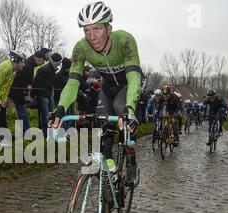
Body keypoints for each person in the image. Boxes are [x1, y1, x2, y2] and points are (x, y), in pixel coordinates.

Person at [52, 1, 144, 186]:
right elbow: (72, 82)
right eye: (86, 30)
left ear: (109, 28)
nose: (92, 36)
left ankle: (132, 164)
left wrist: (130, 110)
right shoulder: (81, 48)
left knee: (123, 118)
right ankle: (110, 173)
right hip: (107, 89)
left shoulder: (124, 40)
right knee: (104, 129)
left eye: (97, 29)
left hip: (128, 86)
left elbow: (134, 78)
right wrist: (60, 109)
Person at [8, 50, 45, 134]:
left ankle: (24, 130)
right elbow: (16, 80)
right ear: (38, 59)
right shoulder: (27, 66)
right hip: (16, 92)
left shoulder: (30, 65)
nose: (43, 63)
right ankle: (26, 131)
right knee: (22, 112)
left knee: (22, 112)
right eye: (43, 61)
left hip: (20, 92)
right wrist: (26, 86)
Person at [33, 53, 63, 136]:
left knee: (51, 113)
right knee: (45, 114)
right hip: (42, 95)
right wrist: (33, 95)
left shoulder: (53, 69)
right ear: (54, 61)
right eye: (58, 63)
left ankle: (50, 130)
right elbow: (36, 82)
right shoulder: (44, 69)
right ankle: (45, 131)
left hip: (49, 94)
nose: (59, 65)